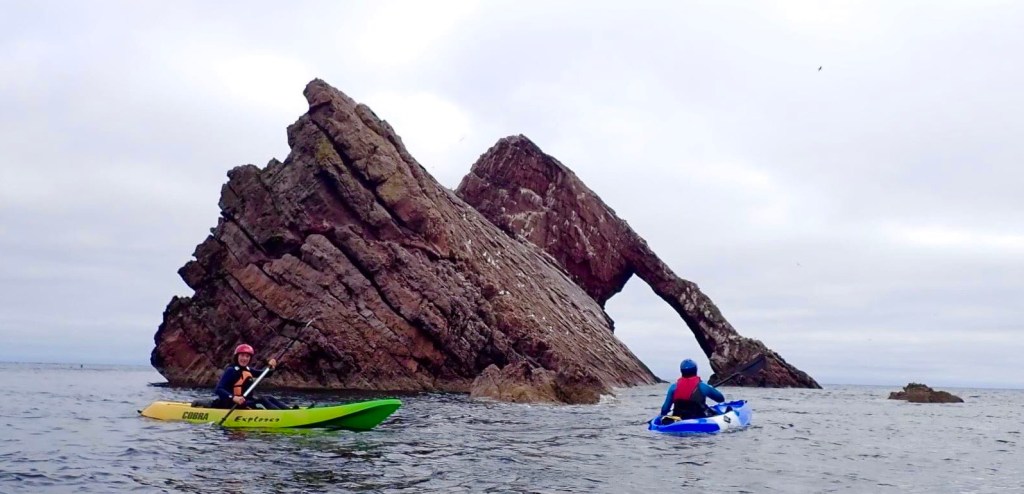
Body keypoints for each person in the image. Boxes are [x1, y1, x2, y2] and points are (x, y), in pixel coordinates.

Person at [212, 344, 289, 410]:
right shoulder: (231, 370)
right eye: (242, 355)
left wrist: (271, 367)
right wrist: (233, 398)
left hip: (246, 401)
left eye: (247, 356)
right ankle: (281, 416)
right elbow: (219, 389)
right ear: (237, 356)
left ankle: (289, 411)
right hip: (233, 403)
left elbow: (265, 374)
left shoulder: (248, 369)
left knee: (270, 398)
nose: (244, 358)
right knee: (261, 401)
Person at [658, 359, 725, 421]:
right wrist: (711, 388)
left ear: (681, 371)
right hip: (698, 418)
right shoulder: (703, 386)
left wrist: (662, 417)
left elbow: (665, 409)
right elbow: (721, 399)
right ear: (695, 370)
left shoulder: (673, 387)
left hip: (679, 419)